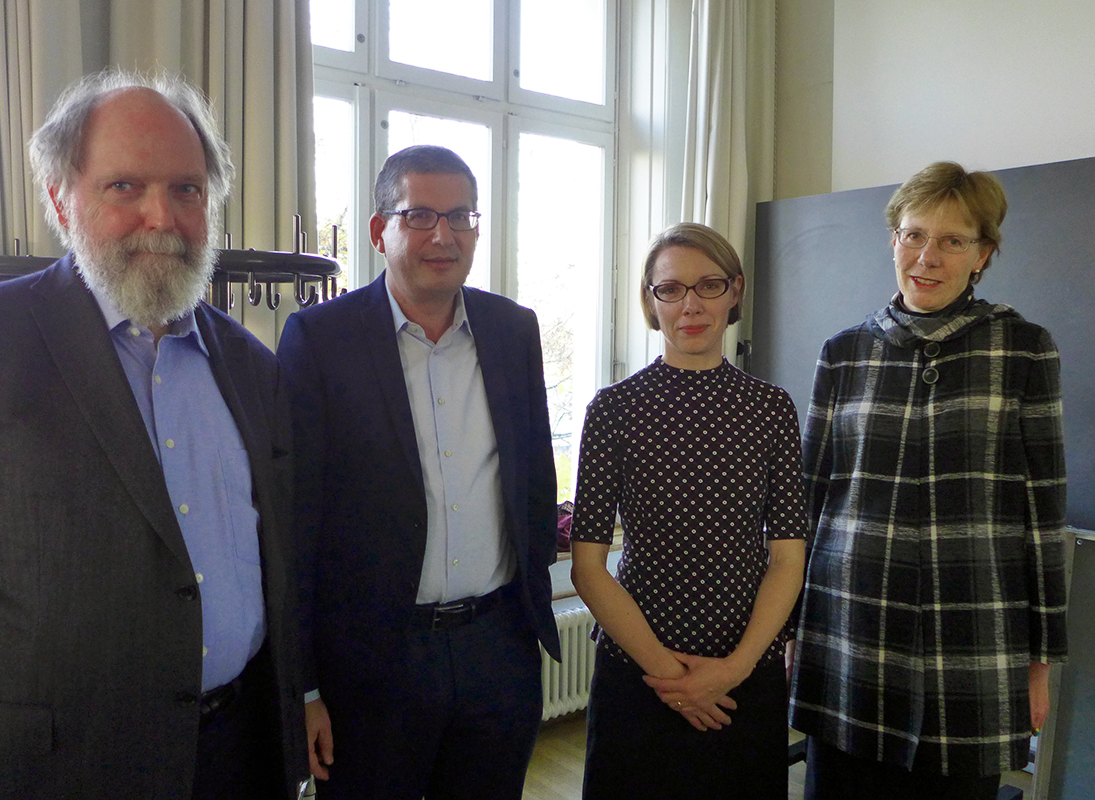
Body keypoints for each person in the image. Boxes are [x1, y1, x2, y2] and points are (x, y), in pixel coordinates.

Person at [0, 71, 307, 799]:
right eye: (125, 187)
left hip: (234, 759)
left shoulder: (251, 368)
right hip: (48, 772)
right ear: (61, 198)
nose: (163, 216)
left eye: (187, 189)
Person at [276, 144, 561, 800]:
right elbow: (296, 523)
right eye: (422, 215)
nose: (444, 235)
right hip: (376, 660)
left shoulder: (513, 330)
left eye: (461, 216)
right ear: (381, 231)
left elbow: (533, 481)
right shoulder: (320, 340)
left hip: (497, 648)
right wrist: (306, 685)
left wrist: (525, 620)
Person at [789, 161, 1068, 800]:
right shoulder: (843, 353)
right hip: (848, 632)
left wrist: (1040, 661)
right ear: (892, 240)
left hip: (971, 641)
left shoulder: (1023, 349)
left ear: (984, 255)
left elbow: (1043, 513)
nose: (927, 257)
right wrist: (792, 631)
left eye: (953, 241)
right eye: (913, 235)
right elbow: (808, 503)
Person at [570, 222, 807, 799]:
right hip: (639, 672)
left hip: (745, 672)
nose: (691, 305)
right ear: (651, 303)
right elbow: (588, 567)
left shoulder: (771, 409)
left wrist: (733, 669)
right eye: (671, 289)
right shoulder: (614, 409)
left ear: (735, 292)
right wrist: (673, 679)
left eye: (709, 285)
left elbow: (787, 556)